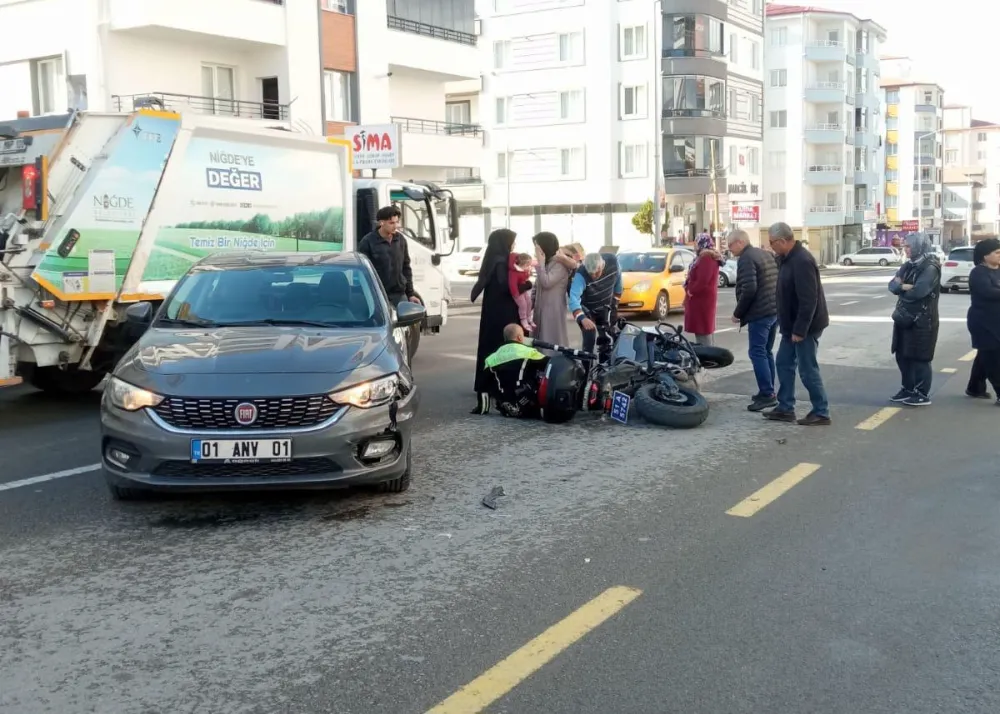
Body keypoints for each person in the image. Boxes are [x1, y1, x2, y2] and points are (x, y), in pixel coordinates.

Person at [763, 222, 831, 425]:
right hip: (791, 326)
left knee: (807, 369)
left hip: (805, 327)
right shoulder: (787, 258)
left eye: (772, 242)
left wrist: (800, 330)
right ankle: (785, 407)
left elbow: (809, 300)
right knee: (784, 363)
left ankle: (821, 411)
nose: (770, 246)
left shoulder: (802, 261)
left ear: (783, 241)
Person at [470, 228, 520, 415]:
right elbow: (506, 287)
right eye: (512, 241)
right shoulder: (501, 261)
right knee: (503, 352)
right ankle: (501, 393)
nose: (514, 245)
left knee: (487, 351)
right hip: (504, 315)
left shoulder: (492, 258)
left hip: (491, 314)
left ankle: (484, 394)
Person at [887, 233, 941, 407]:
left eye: (909, 246)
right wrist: (903, 286)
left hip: (923, 320)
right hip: (904, 317)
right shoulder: (908, 265)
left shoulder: (930, 267)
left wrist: (901, 287)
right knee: (902, 355)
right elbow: (891, 286)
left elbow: (918, 292)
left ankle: (921, 393)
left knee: (920, 358)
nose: (906, 250)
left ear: (919, 246)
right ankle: (908, 388)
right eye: (905, 246)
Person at [729, 230, 779, 411]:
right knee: (766, 352)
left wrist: (738, 313)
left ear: (740, 242)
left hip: (760, 313)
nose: (729, 249)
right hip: (773, 310)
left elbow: (749, 289)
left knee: (757, 352)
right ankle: (769, 391)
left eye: (731, 244)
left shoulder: (746, 258)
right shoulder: (763, 254)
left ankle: (767, 394)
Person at [357, 206, 422, 307]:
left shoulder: (400, 240)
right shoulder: (367, 242)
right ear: (381, 223)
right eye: (391, 223)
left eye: (397, 222)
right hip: (377, 295)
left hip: (399, 295)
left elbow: (406, 268)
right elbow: (362, 272)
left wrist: (410, 294)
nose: (396, 226)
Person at [483, 323, 549, 418]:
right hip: (528, 404)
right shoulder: (528, 352)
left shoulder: (490, 359)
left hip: (504, 405)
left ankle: (510, 406)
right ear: (519, 337)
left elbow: (484, 384)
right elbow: (550, 364)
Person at [963, 237, 1000, 403]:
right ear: (985, 256)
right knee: (993, 357)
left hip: (997, 321)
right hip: (982, 322)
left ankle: (975, 387)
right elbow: (988, 292)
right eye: (997, 252)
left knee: (985, 355)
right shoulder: (978, 273)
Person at [569, 252, 623, 358]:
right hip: (587, 307)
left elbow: (618, 286)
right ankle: (586, 365)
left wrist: (615, 306)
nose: (593, 276)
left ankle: (605, 363)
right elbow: (573, 297)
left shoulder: (613, 263)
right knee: (589, 337)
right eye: (591, 274)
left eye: (596, 273)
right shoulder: (581, 273)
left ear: (602, 266)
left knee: (607, 337)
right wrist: (582, 317)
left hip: (605, 305)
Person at [532, 232, 578, 346]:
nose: (536, 250)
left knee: (552, 339)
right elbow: (537, 285)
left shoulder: (559, 264)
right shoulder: (547, 262)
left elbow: (546, 282)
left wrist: (540, 264)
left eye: (537, 246)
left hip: (553, 308)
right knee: (541, 339)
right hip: (542, 307)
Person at [683, 235, 722, 345]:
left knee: (703, 332)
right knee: (704, 331)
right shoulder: (706, 256)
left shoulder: (706, 258)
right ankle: (709, 353)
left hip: (701, 301)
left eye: (696, 242)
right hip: (703, 300)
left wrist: (691, 289)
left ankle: (707, 355)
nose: (695, 245)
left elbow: (703, 280)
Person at [508, 252, 536, 333]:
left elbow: (525, 278)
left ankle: (529, 317)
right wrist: (516, 294)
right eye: (528, 265)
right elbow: (512, 284)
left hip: (522, 290)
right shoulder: (514, 272)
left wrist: (528, 274)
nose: (529, 267)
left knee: (529, 302)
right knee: (523, 305)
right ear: (523, 264)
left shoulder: (522, 270)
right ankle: (523, 319)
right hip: (517, 292)